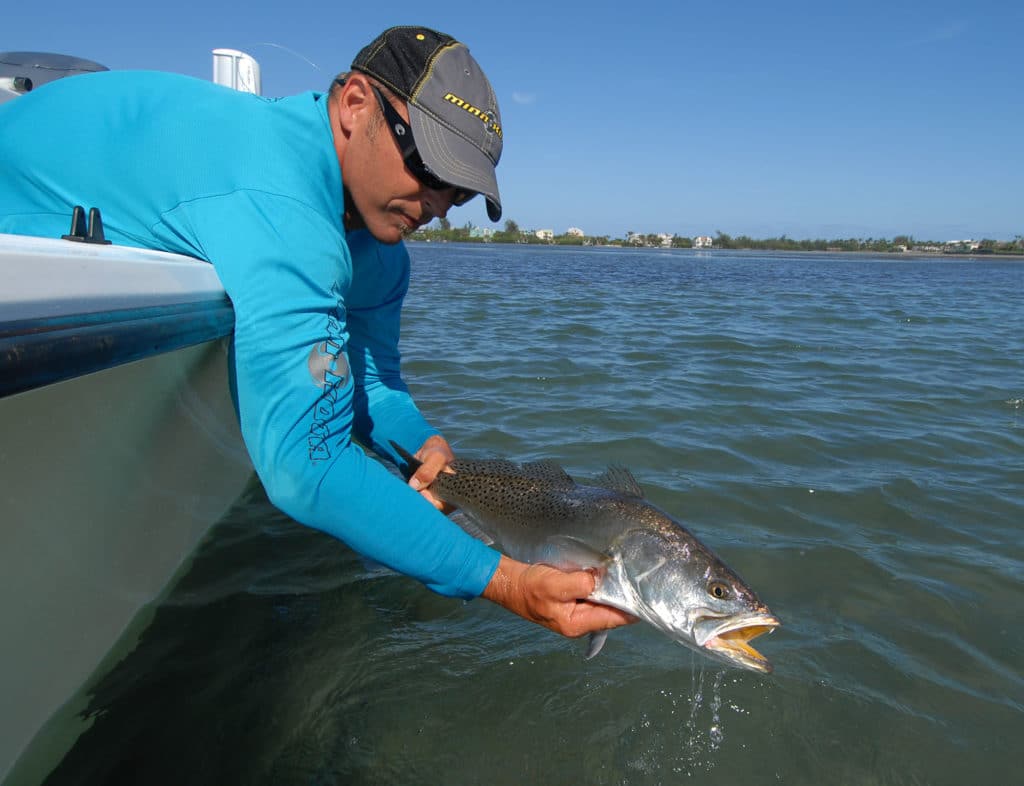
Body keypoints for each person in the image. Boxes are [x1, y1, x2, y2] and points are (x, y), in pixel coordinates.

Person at [0, 26, 634, 640]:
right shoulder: (283, 201)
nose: (439, 204)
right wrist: (506, 582)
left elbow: (376, 379)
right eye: (429, 167)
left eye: (460, 195)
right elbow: (308, 464)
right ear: (355, 104)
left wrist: (425, 445)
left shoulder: (384, 257)